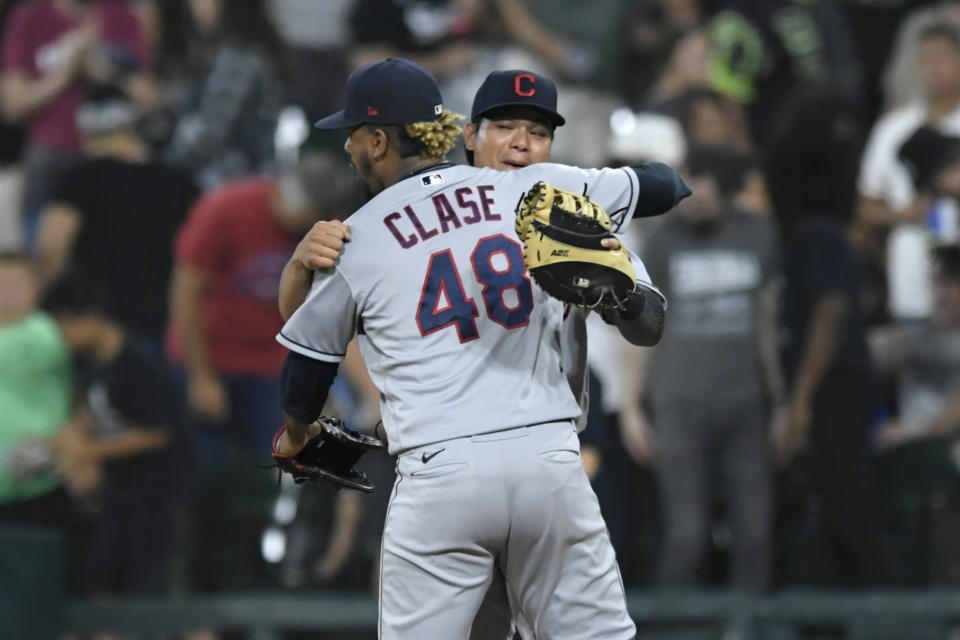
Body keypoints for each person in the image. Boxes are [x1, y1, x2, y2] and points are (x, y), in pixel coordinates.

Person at [274, 57, 688, 639]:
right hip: (547, 462)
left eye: (537, 131)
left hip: (441, 476)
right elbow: (667, 184)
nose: (520, 143)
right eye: (504, 127)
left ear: (375, 139)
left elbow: (305, 367)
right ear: (463, 134)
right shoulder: (545, 190)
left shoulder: (358, 235)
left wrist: (297, 435)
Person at [622, 145, 783, 591]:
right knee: (686, 535)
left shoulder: (760, 234)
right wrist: (633, 405)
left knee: (754, 533)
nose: (695, 205)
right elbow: (642, 325)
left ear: (731, 194)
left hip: (745, 402)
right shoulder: (665, 240)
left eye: (708, 197)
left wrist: (780, 401)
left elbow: (766, 324)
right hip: (679, 402)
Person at [167, 152, 355, 467]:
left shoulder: (331, 233)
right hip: (209, 355)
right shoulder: (226, 208)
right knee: (199, 465)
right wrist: (200, 376)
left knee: (288, 462)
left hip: (273, 366)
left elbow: (328, 313)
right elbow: (186, 294)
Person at [767, 86, 877, 587]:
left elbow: (831, 312)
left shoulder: (820, 235)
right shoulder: (818, 233)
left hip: (836, 390)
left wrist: (802, 399)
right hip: (826, 388)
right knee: (826, 525)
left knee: (845, 516)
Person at [41, 270, 183, 598]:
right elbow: (90, 414)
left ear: (89, 318)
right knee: (102, 589)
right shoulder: (88, 363)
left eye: (63, 327)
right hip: (119, 496)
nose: (60, 338)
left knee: (162, 600)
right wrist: (61, 441)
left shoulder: (139, 365)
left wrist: (87, 452)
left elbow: (156, 434)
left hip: (159, 500)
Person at [34, 86, 198, 350]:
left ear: (84, 132)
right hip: (165, 321)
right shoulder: (179, 181)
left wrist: (43, 309)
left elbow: (52, 247)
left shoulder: (78, 178)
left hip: (100, 326)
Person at [0, 0, 155, 241]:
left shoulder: (124, 17)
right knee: (43, 251)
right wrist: (66, 71)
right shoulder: (30, 17)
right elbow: (13, 106)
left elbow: (150, 99)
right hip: (53, 158)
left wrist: (107, 71)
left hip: (115, 158)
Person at [859, 22, 960, 322]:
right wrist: (910, 212)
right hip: (912, 286)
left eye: (942, 58)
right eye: (925, 59)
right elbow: (866, 206)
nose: (933, 68)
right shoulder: (894, 129)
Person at [0, 252, 73, 530]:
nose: (6, 293)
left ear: (35, 289)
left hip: (39, 478)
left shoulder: (53, 335)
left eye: (14, 284)